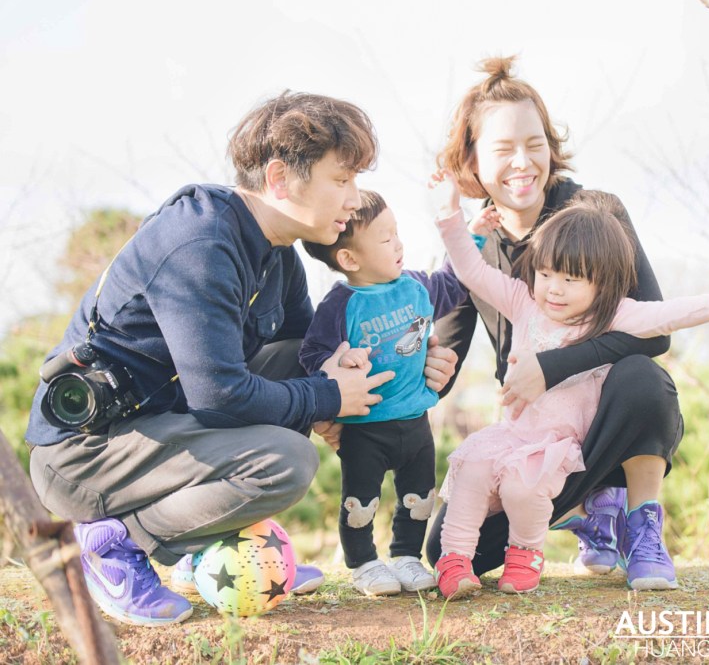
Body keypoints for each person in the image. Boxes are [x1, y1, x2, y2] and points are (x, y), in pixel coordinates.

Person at [23, 92, 458, 626]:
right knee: (285, 464)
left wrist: (413, 362)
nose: (354, 198)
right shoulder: (200, 245)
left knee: (304, 367)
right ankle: (114, 542)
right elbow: (220, 396)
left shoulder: (275, 250)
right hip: (89, 456)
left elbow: (307, 357)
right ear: (279, 178)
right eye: (341, 179)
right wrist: (326, 397)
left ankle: (211, 548)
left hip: (164, 432)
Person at [426, 55, 702, 591]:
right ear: (472, 159)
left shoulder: (595, 213)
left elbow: (657, 333)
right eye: (503, 150)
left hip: (605, 425)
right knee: (444, 549)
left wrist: (551, 367)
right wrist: (357, 405)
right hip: (531, 445)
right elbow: (444, 357)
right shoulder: (476, 243)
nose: (523, 163)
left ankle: (636, 522)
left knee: (644, 380)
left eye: (535, 144)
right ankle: (585, 507)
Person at [429, 176, 709, 597]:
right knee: (472, 473)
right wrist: (449, 216)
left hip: (561, 450)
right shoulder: (522, 302)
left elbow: (666, 315)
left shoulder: (611, 317)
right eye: (546, 272)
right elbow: (470, 270)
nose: (554, 288)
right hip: (513, 436)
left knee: (523, 488)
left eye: (572, 279)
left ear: (601, 285)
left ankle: (529, 553)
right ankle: (455, 562)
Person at [298, 190, 467, 597]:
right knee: (361, 500)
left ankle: (407, 556)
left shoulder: (415, 287)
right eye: (386, 237)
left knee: (419, 496)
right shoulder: (341, 304)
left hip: (416, 421)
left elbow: (454, 283)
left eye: (397, 233)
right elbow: (311, 353)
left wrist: (471, 235)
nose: (399, 244)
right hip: (365, 427)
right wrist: (336, 361)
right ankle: (363, 563)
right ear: (350, 260)